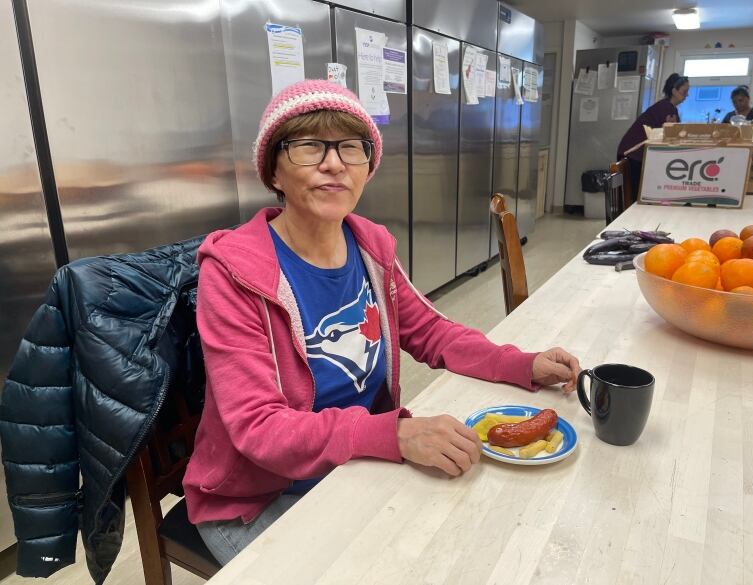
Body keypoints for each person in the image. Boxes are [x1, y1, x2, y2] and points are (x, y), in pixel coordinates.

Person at [183, 79, 582, 565]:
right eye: (309, 146)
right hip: (257, 498)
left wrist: (523, 363)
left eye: (352, 148)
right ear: (274, 170)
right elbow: (259, 428)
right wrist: (392, 435)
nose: (335, 163)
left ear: (368, 167)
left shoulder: (368, 246)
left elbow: (432, 332)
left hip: (354, 465)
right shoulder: (233, 272)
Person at [617, 73, 690, 198]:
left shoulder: (668, 107)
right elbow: (670, 137)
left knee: (639, 192)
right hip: (633, 154)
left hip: (632, 152)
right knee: (637, 194)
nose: (687, 95)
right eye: (684, 92)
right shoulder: (666, 109)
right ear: (674, 91)